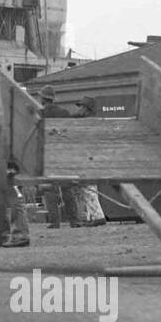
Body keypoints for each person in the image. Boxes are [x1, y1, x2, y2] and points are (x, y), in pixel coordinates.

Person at [38, 86, 79, 228]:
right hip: (63, 153)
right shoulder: (64, 112)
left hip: (47, 154)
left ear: (43, 98)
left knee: (50, 189)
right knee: (67, 188)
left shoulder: (40, 113)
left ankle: (55, 222)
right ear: (53, 98)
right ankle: (74, 221)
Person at [69, 95, 107, 227]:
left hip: (89, 157)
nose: (78, 109)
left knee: (88, 187)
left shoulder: (88, 122)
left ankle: (97, 216)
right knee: (87, 188)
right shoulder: (90, 120)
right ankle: (92, 216)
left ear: (86, 108)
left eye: (81, 106)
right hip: (92, 157)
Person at [1, 160, 30, 248]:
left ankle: (19, 236)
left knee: (16, 201)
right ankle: (7, 235)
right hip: (11, 166)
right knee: (7, 201)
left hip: (12, 167)